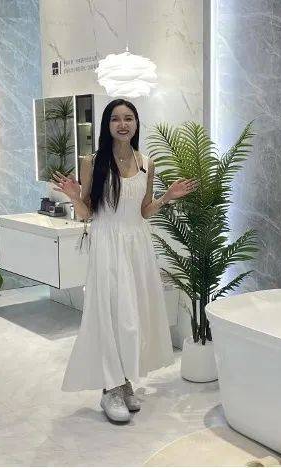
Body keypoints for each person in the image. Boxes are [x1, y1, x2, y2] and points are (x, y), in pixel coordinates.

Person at [51, 99, 197, 423]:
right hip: (107, 243)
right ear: (107, 125)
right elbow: (87, 213)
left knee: (134, 314)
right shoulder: (93, 162)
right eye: (115, 119)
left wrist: (167, 197)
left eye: (128, 118)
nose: (122, 124)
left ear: (136, 123)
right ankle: (110, 388)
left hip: (137, 245)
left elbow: (144, 211)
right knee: (113, 313)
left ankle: (124, 380)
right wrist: (74, 196)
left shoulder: (147, 163)